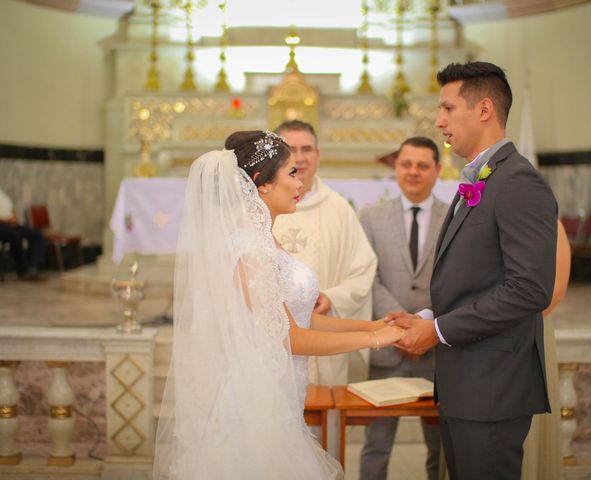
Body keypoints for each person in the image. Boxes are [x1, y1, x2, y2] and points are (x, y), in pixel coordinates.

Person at [152, 131, 404, 480]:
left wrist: (373, 326)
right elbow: (290, 338)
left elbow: (300, 318)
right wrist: (375, 340)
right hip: (255, 408)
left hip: (280, 397)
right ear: (262, 184)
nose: (300, 181)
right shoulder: (248, 250)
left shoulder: (265, 239)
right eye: (291, 173)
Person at [388, 61, 558, 480]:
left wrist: (440, 331)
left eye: (447, 108)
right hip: (467, 385)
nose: (439, 121)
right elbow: (476, 279)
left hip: (493, 388)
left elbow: (529, 288)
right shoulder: (483, 177)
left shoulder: (519, 181)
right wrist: (428, 316)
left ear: (484, 109)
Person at [273, 120, 377, 458]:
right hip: (273, 346)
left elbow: (363, 269)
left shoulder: (338, 209)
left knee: (322, 447)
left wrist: (332, 297)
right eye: (290, 150)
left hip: (324, 330)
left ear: (318, 154)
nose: (299, 158)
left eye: (306, 149)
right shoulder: (262, 209)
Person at [358, 137, 447, 480]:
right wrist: (401, 328)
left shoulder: (455, 218)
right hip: (387, 347)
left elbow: (459, 281)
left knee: (440, 446)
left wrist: (425, 325)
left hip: (438, 349)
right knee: (376, 443)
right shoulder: (371, 217)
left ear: (438, 171)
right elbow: (369, 277)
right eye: (406, 164)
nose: (413, 172)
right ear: (395, 168)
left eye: (423, 165)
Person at [522, 220, 571, 480]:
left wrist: (498, 325)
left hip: (528, 332)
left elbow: (556, 290)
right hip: (482, 335)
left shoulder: (551, 224)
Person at [0, 187, 46, 280]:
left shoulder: (2, 194)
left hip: (13, 224)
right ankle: (22, 269)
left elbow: (11, 210)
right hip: (2, 225)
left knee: (36, 234)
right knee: (15, 236)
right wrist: (7, 220)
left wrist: (13, 219)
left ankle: (34, 268)